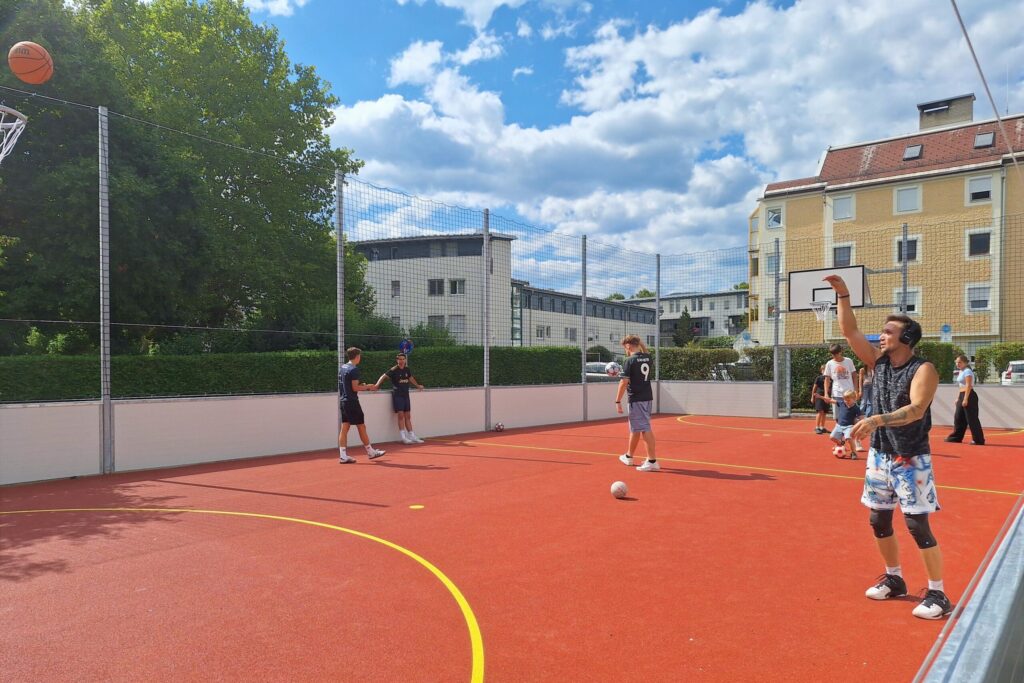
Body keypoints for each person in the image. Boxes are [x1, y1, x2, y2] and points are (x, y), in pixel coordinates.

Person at [825, 274, 953, 620]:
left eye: (889, 332)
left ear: (907, 338)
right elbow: (851, 331)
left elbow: (916, 410)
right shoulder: (877, 362)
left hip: (910, 458)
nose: (881, 336)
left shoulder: (923, 368)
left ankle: (938, 593)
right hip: (880, 456)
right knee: (878, 519)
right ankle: (895, 578)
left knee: (916, 525)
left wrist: (876, 420)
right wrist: (844, 294)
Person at [616, 335, 658, 472]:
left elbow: (623, 382)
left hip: (637, 398)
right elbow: (645, 352)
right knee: (636, 428)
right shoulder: (647, 357)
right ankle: (629, 456)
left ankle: (652, 461)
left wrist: (617, 400)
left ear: (628, 346)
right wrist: (641, 343)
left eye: (625, 347)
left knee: (645, 428)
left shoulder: (629, 360)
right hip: (647, 397)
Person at [338, 347, 386, 463]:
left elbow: (349, 385)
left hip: (343, 401)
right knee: (361, 426)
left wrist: (362, 385)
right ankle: (370, 452)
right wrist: (368, 386)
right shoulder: (354, 369)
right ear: (357, 356)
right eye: (360, 356)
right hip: (352, 402)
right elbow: (355, 388)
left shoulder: (343, 367)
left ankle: (343, 455)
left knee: (345, 427)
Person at [375, 353, 426, 445]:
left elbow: (410, 378)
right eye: (400, 359)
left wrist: (418, 386)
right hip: (397, 395)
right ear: (397, 360)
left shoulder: (407, 369)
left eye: (403, 359)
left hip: (406, 395)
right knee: (401, 416)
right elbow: (383, 376)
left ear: (405, 360)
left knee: (408, 416)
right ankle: (403, 437)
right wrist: (377, 385)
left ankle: (412, 436)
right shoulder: (393, 370)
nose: (402, 361)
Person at [945, 354, 985, 446]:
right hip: (962, 395)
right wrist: (958, 398)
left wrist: (965, 399)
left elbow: (968, 385)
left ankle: (978, 440)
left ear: (965, 363)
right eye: (956, 362)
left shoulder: (967, 371)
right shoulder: (961, 371)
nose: (957, 364)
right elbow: (961, 386)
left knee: (971, 419)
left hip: (969, 395)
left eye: (960, 362)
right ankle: (956, 437)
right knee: (958, 417)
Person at [830, 389, 863, 458]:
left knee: (849, 438)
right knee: (832, 437)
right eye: (845, 399)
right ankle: (841, 443)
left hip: (849, 426)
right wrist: (822, 397)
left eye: (848, 400)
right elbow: (832, 401)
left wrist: (861, 423)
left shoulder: (856, 408)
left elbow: (861, 417)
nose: (846, 401)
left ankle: (853, 453)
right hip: (839, 425)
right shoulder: (842, 403)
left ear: (854, 399)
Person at [811, 365, 830, 434]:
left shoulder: (829, 378)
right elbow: (814, 388)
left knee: (824, 412)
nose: (824, 371)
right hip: (819, 395)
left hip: (827, 396)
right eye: (823, 370)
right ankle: (817, 427)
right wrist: (812, 397)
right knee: (820, 411)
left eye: (825, 370)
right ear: (821, 370)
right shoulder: (818, 378)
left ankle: (822, 427)